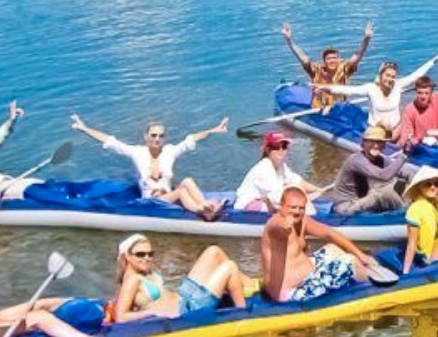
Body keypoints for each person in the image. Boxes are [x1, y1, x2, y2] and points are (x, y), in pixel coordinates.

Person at [70, 114, 230, 219]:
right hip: (152, 202)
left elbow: (191, 139)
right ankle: (201, 211)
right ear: (145, 137)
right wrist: (84, 128)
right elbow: (110, 141)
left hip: (169, 197)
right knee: (181, 191)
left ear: (165, 138)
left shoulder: (170, 151)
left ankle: (204, 205)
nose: (157, 139)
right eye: (153, 135)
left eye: (161, 136)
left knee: (187, 181)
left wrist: (214, 130)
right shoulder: (136, 153)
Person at [259, 187, 378, 303]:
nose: (297, 211)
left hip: (307, 277)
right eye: (292, 207)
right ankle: (370, 292)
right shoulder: (275, 222)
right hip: (291, 294)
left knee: (333, 248)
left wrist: (362, 255)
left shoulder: (302, 221)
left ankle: (361, 269)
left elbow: (329, 233)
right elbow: (279, 228)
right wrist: (285, 226)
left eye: (301, 208)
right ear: (281, 206)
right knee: (350, 261)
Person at [111, 235, 249, 321]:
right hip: (189, 308)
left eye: (150, 254)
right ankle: (244, 314)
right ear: (127, 256)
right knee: (230, 266)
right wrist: (151, 312)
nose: (147, 258)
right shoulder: (132, 280)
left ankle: (248, 284)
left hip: (184, 294)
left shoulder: (142, 272)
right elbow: (121, 316)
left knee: (213, 251)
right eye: (140, 254)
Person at [321, 48, 438, 137]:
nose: (390, 79)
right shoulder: (370, 88)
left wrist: (435, 59)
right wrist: (326, 88)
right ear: (381, 75)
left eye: (393, 76)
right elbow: (348, 90)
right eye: (387, 75)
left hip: (397, 128)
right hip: (377, 129)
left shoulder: (399, 85)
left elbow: (417, 74)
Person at [281, 20, 374, 111]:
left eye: (334, 58)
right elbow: (304, 59)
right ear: (324, 61)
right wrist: (289, 41)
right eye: (329, 59)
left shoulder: (344, 69)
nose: (332, 61)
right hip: (319, 110)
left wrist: (366, 39)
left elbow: (357, 56)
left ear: (339, 60)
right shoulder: (317, 71)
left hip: (339, 109)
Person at [325, 125, 416, 214]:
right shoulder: (356, 160)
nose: (376, 146)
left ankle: (414, 206)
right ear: (363, 144)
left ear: (384, 145)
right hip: (346, 207)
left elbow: (406, 172)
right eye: (371, 142)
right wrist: (404, 156)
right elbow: (383, 176)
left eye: (379, 142)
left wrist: (418, 185)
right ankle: (405, 214)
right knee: (384, 192)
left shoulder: (382, 159)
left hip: (363, 200)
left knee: (401, 183)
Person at [232, 131, 321, 213]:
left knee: (295, 190)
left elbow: (298, 181)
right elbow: (277, 197)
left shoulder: (281, 166)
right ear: (267, 150)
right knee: (293, 197)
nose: (281, 150)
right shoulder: (265, 168)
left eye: (284, 146)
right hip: (247, 208)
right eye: (276, 147)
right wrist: (303, 198)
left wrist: (318, 190)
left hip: (268, 201)